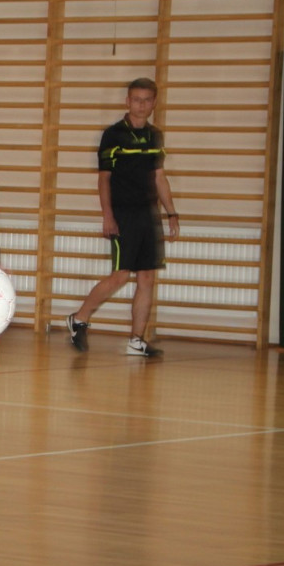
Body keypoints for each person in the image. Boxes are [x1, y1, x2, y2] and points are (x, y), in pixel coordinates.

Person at [66, 77, 180, 357]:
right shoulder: (113, 135)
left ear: (154, 103)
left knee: (147, 277)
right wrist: (108, 216)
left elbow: (160, 177)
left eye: (147, 100)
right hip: (123, 214)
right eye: (136, 99)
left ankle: (136, 340)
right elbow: (104, 179)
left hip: (148, 214)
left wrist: (171, 212)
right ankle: (79, 318)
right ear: (128, 101)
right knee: (119, 276)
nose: (141, 104)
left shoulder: (155, 136)